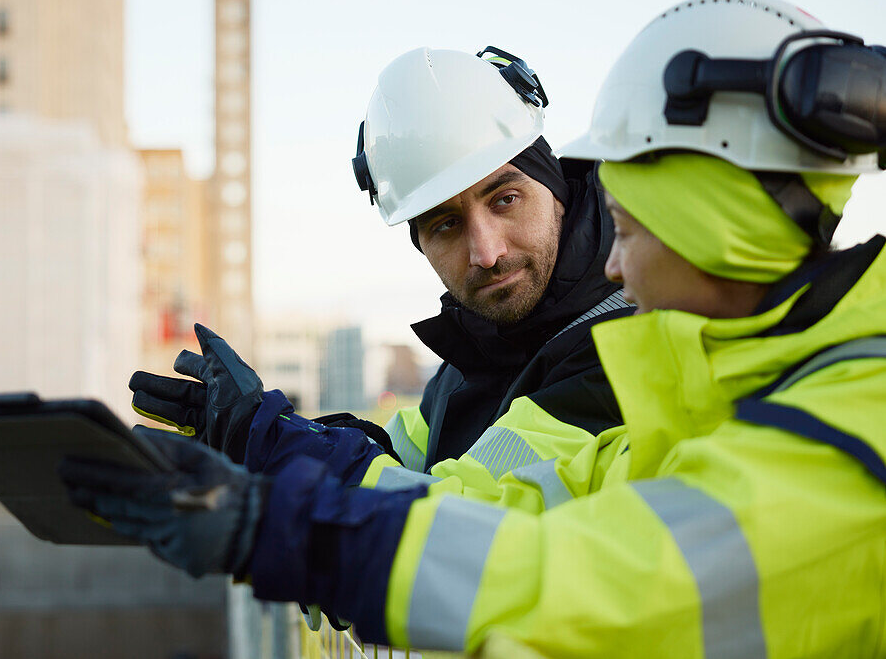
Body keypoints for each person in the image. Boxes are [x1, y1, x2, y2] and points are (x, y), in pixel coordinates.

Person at [60, 0, 886, 657]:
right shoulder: (699, 390)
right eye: (445, 225)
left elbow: (569, 570)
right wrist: (268, 438)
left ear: (711, 228)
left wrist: (272, 515)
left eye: (628, 231)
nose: (614, 267)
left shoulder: (834, 428)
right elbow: (486, 499)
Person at [129, 46, 631, 502]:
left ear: (556, 186)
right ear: (421, 244)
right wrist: (264, 440)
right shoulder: (475, 356)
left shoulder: (629, 339)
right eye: (446, 225)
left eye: (505, 199)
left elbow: (462, 520)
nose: (486, 252)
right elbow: (393, 460)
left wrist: (275, 445)